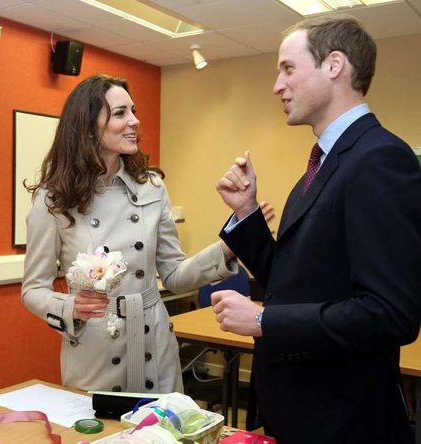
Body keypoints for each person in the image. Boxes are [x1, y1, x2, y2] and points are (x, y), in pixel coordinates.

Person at [213, 16, 421, 443]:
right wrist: (248, 212)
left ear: (334, 65)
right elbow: (290, 279)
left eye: (288, 68)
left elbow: (391, 315)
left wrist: (264, 320)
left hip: (342, 421)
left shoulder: (379, 158)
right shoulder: (324, 165)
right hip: (301, 409)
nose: (277, 85)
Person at [22, 74, 241, 394]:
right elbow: (33, 289)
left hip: (154, 343)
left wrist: (226, 248)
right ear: (88, 126)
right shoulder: (53, 199)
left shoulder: (151, 187)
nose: (135, 121)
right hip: (97, 350)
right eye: (121, 113)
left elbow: (175, 274)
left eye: (134, 111)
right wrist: (71, 307)